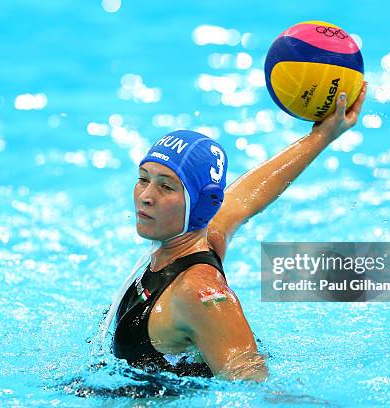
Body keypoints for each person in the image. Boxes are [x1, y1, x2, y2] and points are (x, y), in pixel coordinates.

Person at [108, 83, 368, 381]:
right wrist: (322, 135)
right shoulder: (200, 238)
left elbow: (253, 385)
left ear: (203, 205)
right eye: (143, 179)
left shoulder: (199, 292)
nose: (146, 195)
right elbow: (247, 197)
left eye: (166, 186)